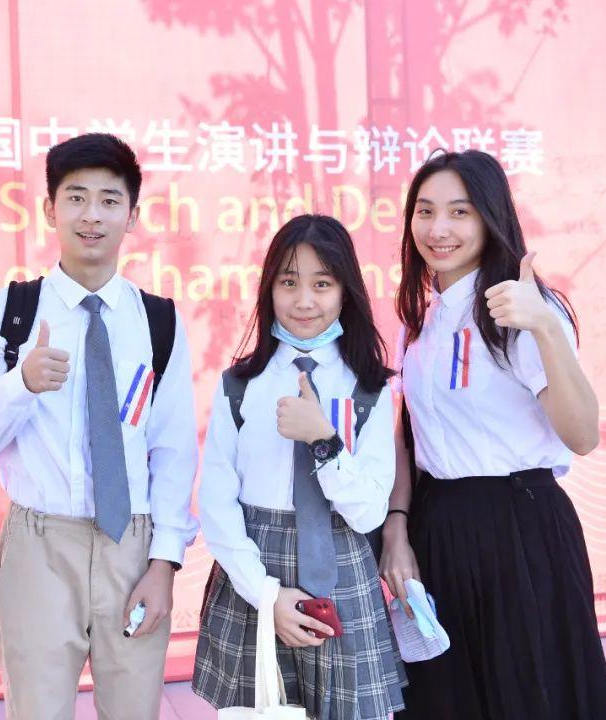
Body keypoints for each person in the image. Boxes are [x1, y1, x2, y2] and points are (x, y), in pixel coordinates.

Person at [0, 133, 199, 719]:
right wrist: (21, 383)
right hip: (41, 546)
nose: (92, 215)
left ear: (132, 215)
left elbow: (172, 450)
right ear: (50, 209)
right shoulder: (11, 312)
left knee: (134, 711)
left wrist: (164, 564)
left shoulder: (159, 320)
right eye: (76, 198)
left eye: (109, 200)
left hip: (132, 548)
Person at [380, 149, 606, 719]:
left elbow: (582, 434)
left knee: (530, 695)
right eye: (425, 211)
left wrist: (544, 327)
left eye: (459, 212)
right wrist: (397, 529)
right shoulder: (422, 321)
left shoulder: (522, 309)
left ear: (491, 217)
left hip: (520, 527)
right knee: (448, 701)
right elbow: (410, 440)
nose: (438, 229)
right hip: (440, 529)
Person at [193, 214, 407, 720]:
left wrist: (324, 442)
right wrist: (266, 595)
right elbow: (217, 504)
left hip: (342, 567)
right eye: (289, 283)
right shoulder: (240, 385)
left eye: (322, 284)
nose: (304, 300)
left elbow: (368, 512)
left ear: (346, 292)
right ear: (269, 289)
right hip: (253, 571)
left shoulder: (370, 388)